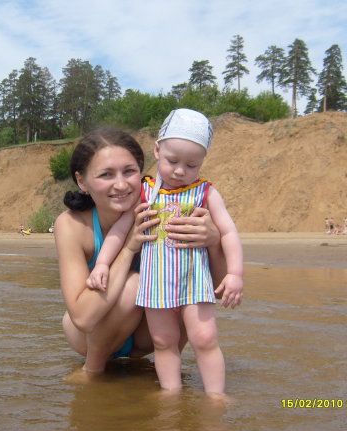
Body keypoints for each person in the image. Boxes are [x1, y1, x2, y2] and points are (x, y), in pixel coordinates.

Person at [86, 109, 243, 395]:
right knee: (163, 341)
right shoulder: (145, 193)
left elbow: (229, 232)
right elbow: (120, 231)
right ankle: (171, 393)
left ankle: (216, 396)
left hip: (195, 282)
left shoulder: (206, 193)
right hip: (155, 283)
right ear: (157, 150)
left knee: (205, 338)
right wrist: (102, 264)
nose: (180, 171)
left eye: (192, 165)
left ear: (203, 162)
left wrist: (235, 274)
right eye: (172, 161)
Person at [54, 127, 227, 375]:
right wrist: (129, 248)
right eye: (106, 174)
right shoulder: (72, 225)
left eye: (129, 171)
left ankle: (169, 375)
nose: (121, 184)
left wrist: (213, 241)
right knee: (133, 285)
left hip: (147, 337)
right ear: (82, 181)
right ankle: (91, 371)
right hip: (89, 335)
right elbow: (82, 318)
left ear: (142, 172)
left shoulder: (168, 209)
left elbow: (217, 289)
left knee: (186, 288)